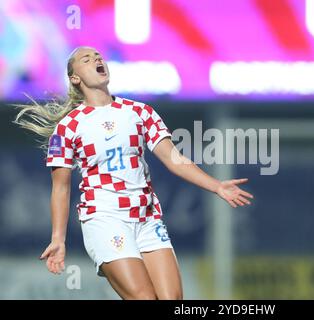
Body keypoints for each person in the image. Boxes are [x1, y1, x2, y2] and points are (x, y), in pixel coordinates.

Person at [14, 46, 254, 300]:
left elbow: (174, 159)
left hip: (148, 218)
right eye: (87, 59)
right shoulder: (68, 127)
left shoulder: (140, 112)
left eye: (99, 57)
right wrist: (58, 239)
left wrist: (216, 186)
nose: (97, 59)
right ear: (75, 78)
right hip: (106, 218)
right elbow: (61, 188)